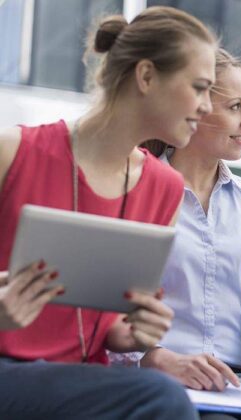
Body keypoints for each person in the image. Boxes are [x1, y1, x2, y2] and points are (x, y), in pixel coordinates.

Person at [0, 6, 217, 419]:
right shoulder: (12, 151)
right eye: (200, 87)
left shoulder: (164, 188)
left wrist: (135, 335)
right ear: (147, 76)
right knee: (161, 398)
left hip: (82, 384)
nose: (207, 106)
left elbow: (109, 328)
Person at [139, 48, 241, 420]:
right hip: (155, 384)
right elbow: (104, 306)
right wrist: (155, 359)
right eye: (235, 107)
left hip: (237, 387)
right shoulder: (134, 189)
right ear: (192, 108)